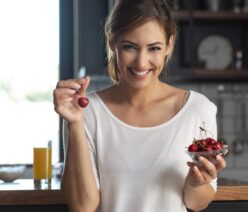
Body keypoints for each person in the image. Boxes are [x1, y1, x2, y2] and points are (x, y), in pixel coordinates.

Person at [53, 0, 226, 211]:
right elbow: (82, 206)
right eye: (130, 47)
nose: (141, 63)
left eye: (154, 48)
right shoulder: (85, 111)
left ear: (169, 46)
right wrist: (75, 124)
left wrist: (196, 184)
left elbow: (197, 203)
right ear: (112, 43)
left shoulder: (197, 109)